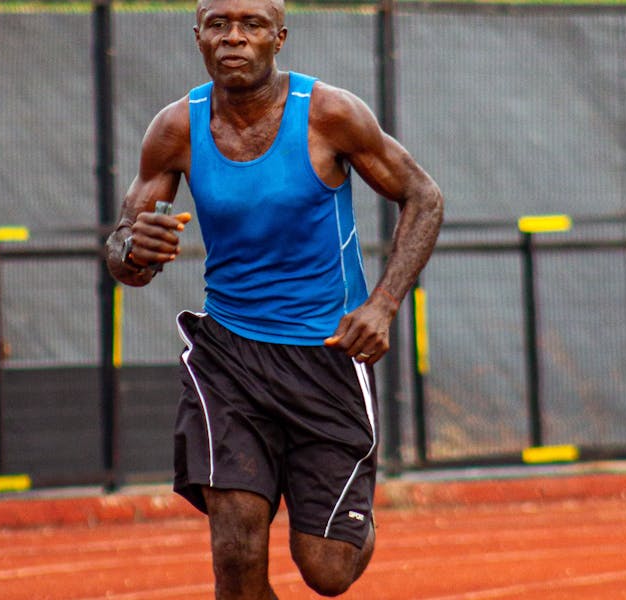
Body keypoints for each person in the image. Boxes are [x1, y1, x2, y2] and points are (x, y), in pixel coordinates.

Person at [104, 0, 443, 596]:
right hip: (229, 356)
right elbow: (127, 257)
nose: (234, 38)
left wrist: (384, 304)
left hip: (326, 354)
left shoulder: (330, 114)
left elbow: (423, 196)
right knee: (235, 551)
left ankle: (336, 500)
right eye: (219, 25)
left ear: (279, 37)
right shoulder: (176, 128)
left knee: (327, 570)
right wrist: (133, 248)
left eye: (252, 25)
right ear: (199, 38)